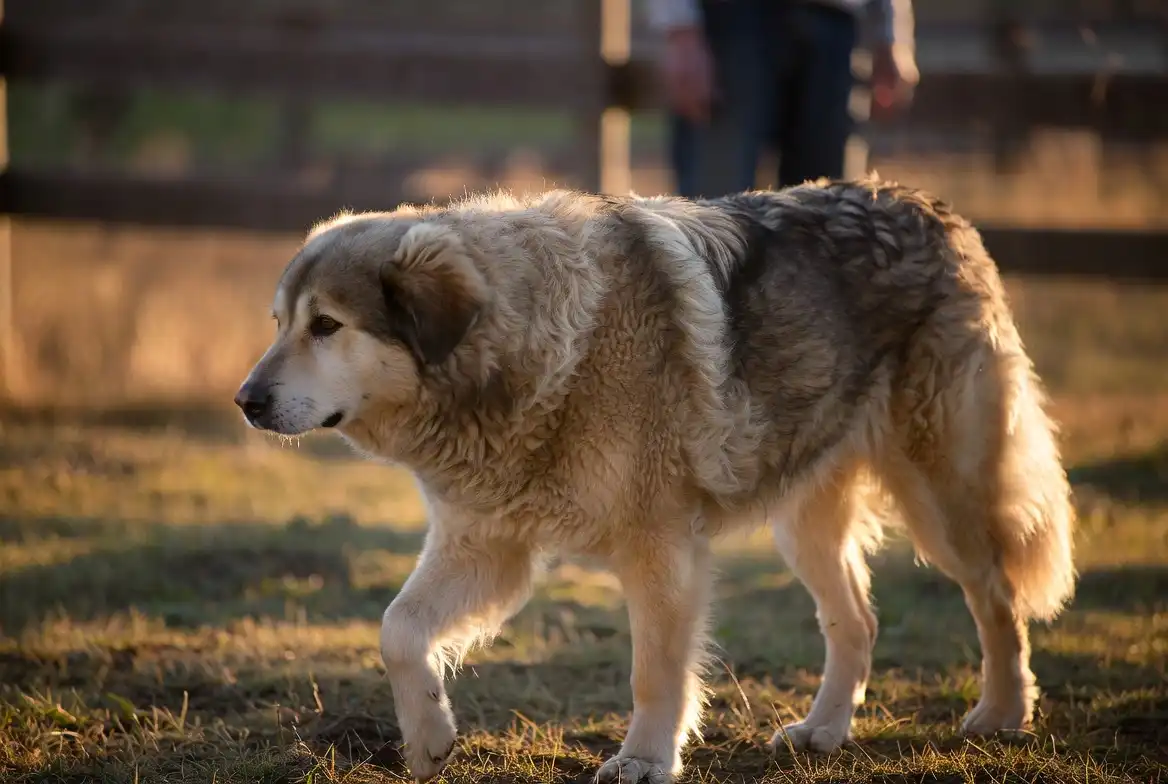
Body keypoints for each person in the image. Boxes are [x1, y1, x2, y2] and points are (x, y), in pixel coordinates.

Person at [647, 0, 918, 198]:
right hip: (730, 23)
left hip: (836, 26)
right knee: (715, 214)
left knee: (825, 223)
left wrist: (891, 33)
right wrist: (680, 29)